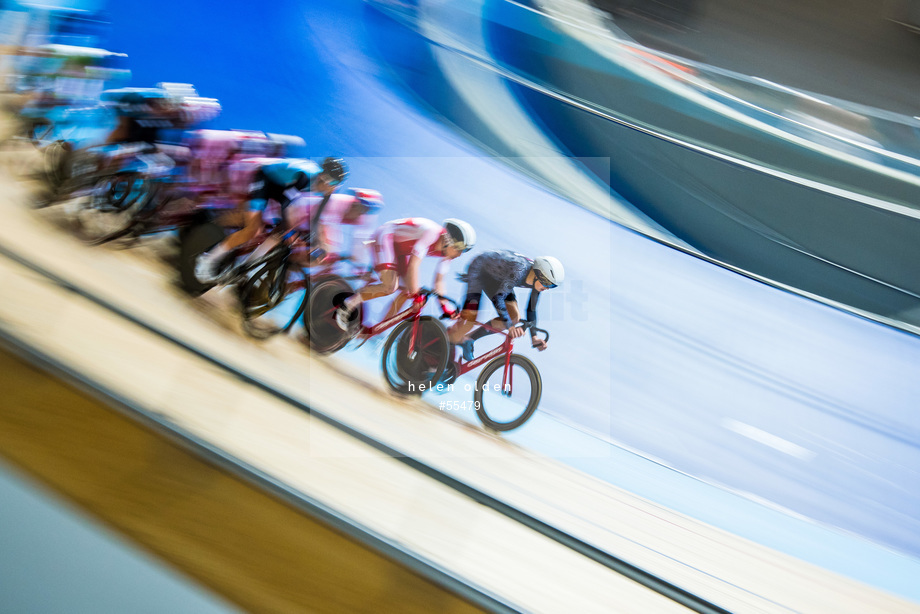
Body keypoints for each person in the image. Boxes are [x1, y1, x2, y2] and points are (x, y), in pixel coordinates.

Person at [193, 156, 347, 283]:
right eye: (328, 180)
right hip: (265, 177)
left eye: (334, 183)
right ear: (322, 175)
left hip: (282, 187)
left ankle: (243, 268)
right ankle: (206, 260)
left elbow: (316, 220)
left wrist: (319, 244)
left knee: (279, 232)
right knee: (252, 230)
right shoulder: (305, 177)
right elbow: (285, 204)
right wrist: (289, 231)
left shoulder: (327, 192)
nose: (330, 185)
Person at [334, 217, 476, 330]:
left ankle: (377, 329)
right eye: (460, 250)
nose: (460, 255)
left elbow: (439, 281)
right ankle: (347, 305)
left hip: (400, 250)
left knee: (407, 292)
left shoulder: (447, 252)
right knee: (390, 286)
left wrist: (445, 307)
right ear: (451, 241)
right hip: (386, 237)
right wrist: (416, 295)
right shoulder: (432, 233)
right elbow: (414, 265)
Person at [447, 250, 564, 360]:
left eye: (552, 286)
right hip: (480, 270)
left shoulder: (536, 281)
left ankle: (468, 339)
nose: (548, 289)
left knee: (514, 318)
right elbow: (499, 298)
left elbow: (531, 309)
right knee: (470, 321)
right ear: (539, 274)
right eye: (548, 284)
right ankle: (442, 344)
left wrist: (534, 337)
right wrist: (510, 327)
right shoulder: (519, 269)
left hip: (498, 278)